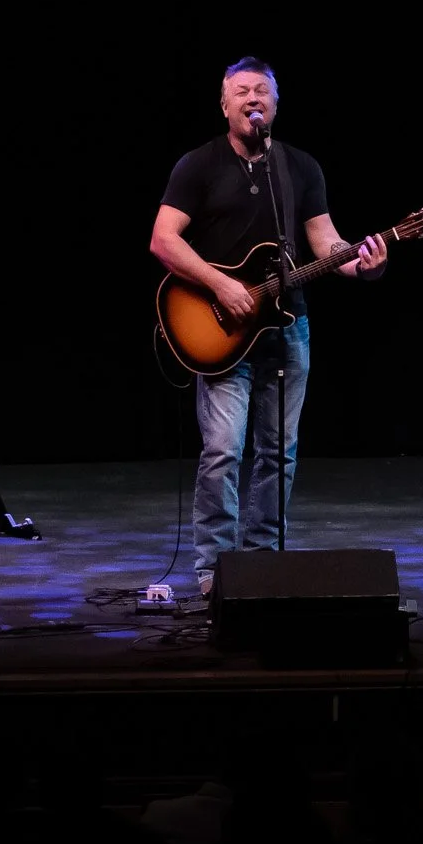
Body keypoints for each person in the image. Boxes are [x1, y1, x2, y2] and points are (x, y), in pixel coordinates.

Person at [149, 56, 387, 595]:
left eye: (262, 90)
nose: (252, 98)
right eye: (241, 91)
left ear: (275, 104)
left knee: (279, 453)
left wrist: (363, 265)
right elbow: (163, 240)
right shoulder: (199, 164)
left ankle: (261, 566)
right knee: (223, 451)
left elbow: (327, 244)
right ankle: (214, 569)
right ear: (224, 105)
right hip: (220, 331)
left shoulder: (299, 167)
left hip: (287, 328)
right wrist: (221, 285)